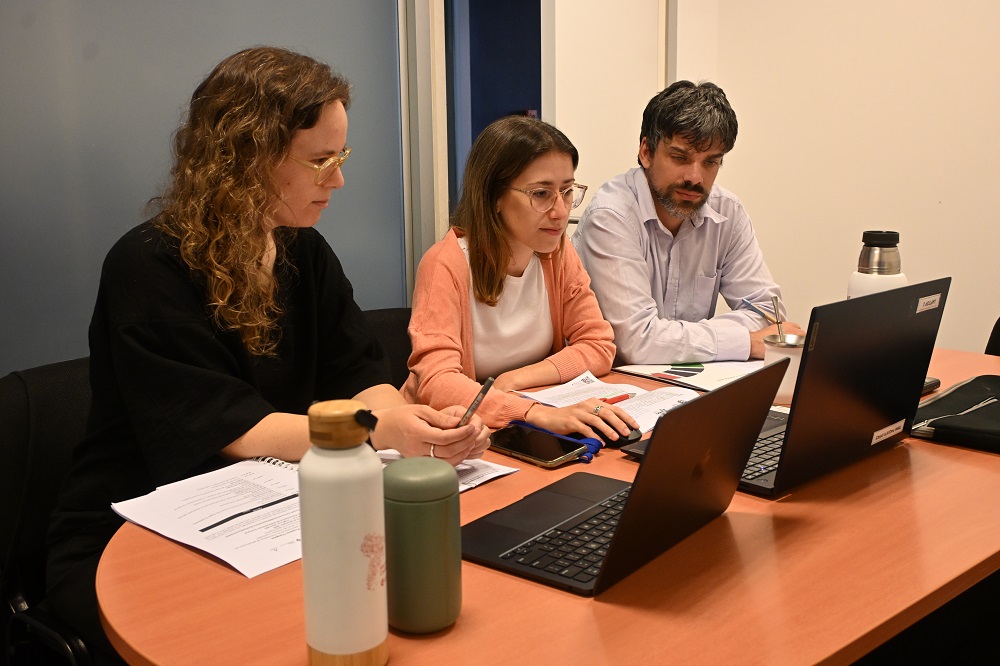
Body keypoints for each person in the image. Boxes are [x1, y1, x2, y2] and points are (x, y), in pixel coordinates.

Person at [45, 46, 488, 663]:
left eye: (341, 156)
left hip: (271, 511)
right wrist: (379, 430)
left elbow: (358, 370)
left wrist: (406, 422)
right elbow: (232, 430)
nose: (338, 180)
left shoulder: (304, 251)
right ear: (242, 159)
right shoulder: (146, 265)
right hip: (136, 533)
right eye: (320, 160)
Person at [402, 115, 640, 443]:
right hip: (448, 436)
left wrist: (515, 379)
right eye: (542, 194)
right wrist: (534, 413)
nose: (560, 211)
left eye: (568, 191)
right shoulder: (446, 264)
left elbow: (598, 344)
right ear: (495, 197)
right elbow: (437, 383)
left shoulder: (557, 252)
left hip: (520, 421)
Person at [572, 80, 803, 364]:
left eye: (710, 162)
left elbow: (769, 315)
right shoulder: (612, 215)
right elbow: (636, 342)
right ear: (646, 152)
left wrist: (673, 339)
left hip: (690, 379)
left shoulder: (727, 212)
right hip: (616, 386)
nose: (695, 177)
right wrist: (745, 341)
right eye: (680, 157)